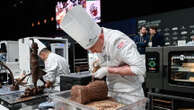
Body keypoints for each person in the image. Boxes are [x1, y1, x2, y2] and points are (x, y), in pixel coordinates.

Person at [60, 5, 146, 109]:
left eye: (93, 47)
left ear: (101, 37)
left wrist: (108, 70)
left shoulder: (117, 40)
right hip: (112, 94)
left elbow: (140, 68)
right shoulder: (98, 44)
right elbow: (105, 60)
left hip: (131, 95)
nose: (92, 51)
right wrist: (97, 69)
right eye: (89, 49)